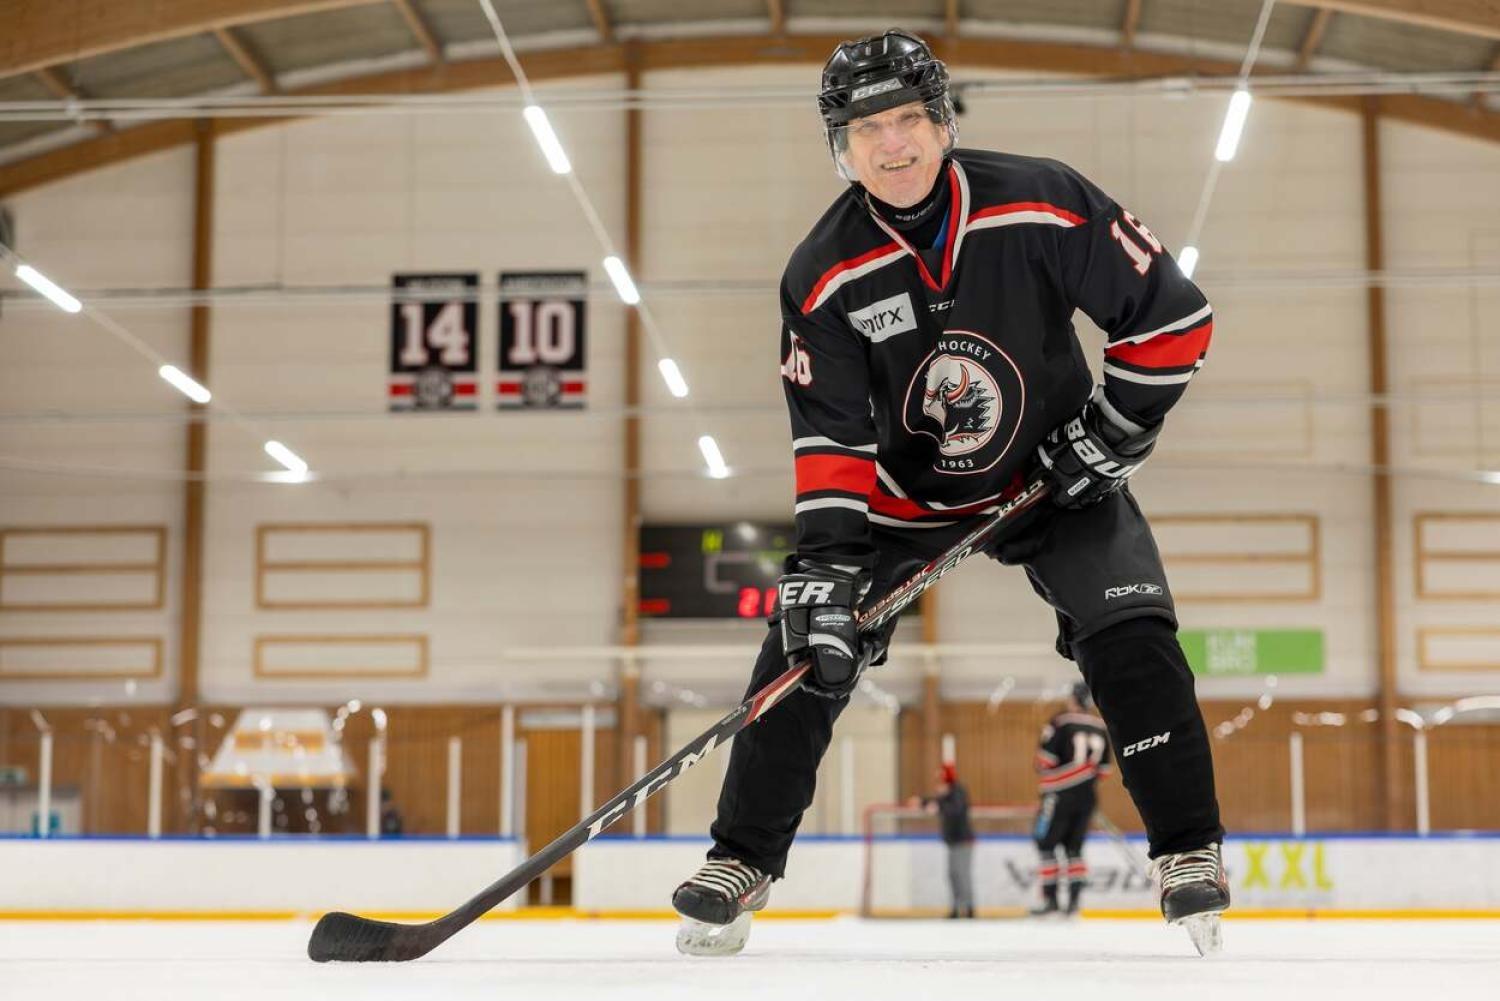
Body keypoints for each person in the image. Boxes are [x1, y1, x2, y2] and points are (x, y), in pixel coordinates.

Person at [672, 28, 1228, 957]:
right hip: (901, 503)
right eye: (864, 129)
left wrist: (1113, 429)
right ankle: (742, 856)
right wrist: (826, 567)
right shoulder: (823, 273)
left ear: (941, 123)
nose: (891, 145)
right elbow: (832, 436)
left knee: (1133, 637)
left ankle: (1188, 849)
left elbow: (1174, 320)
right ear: (838, 148)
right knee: (801, 651)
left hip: (1055, 475)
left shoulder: (1045, 202)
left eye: (906, 120)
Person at [1031, 682, 1112, 917]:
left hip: (1057, 794)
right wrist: (1084, 775)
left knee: (1045, 845)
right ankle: (1074, 903)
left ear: (1072, 699)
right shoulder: (1100, 727)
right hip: (1087, 796)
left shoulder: (1060, 722)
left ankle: (1051, 900)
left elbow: (1043, 762)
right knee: (1074, 848)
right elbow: (1105, 772)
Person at [915, 763, 975, 919]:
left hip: (963, 841)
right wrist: (921, 802)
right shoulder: (946, 793)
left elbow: (955, 809)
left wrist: (939, 806)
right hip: (952, 841)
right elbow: (936, 802)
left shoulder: (958, 791)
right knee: (952, 875)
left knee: (962, 875)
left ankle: (968, 909)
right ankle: (955, 908)